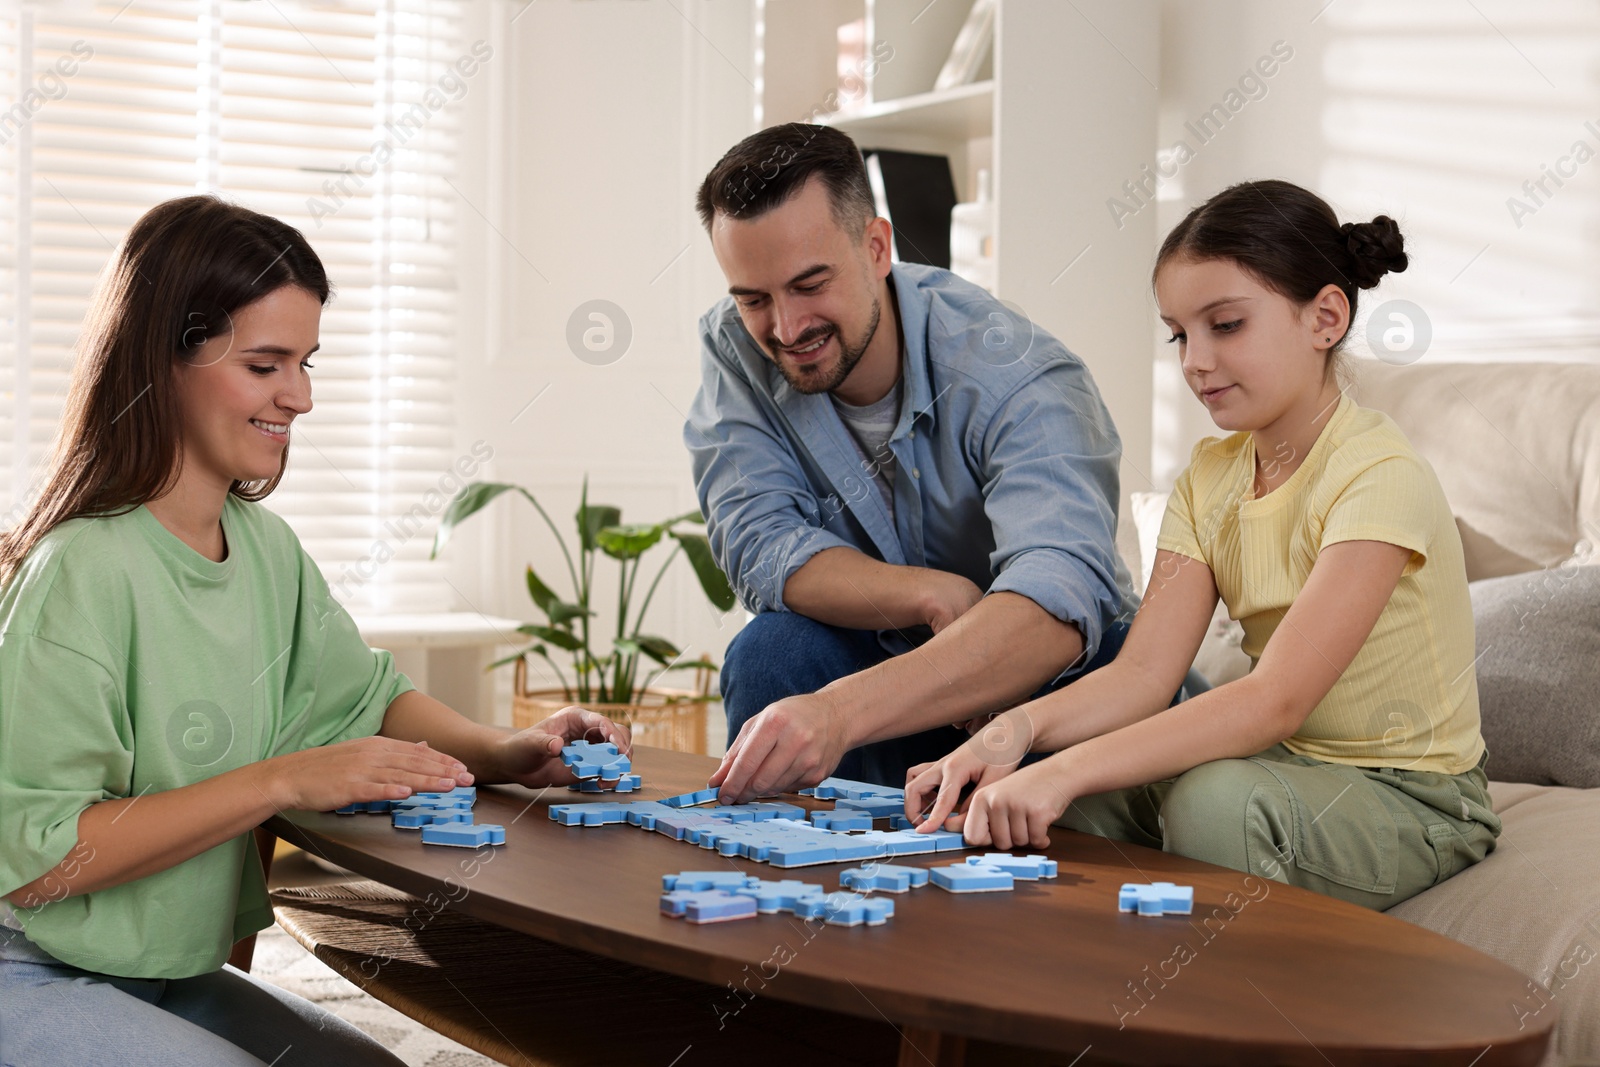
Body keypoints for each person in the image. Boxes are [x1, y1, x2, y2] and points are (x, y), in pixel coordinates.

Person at [0, 196, 630, 1066]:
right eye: (266, 364)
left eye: (304, 361)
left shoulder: (264, 549)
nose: (299, 395)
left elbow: (365, 696)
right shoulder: (78, 571)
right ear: (166, 359)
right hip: (28, 969)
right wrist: (279, 780)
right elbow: (40, 860)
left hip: (159, 971)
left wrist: (508, 749)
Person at [906, 179, 1500, 909]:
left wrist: (1062, 768)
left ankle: (1240, 1014)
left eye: (1225, 325)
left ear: (1325, 317)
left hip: (1414, 799)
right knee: (1075, 804)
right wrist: (1014, 734)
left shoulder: (1379, 475)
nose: (1194, 360)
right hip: (1283, 765)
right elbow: (1145, 674)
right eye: (1179, 333)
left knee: (1215, 802)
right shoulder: (1209, 479)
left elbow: (1273, 701)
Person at [686, 123, 1151, 801]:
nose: (785, 329)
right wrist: (925, 591)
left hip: (1045, 691)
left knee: (1104, 656)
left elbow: (1060, 592)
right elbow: (759, 543)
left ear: (877, 246)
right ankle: (791, 896)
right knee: (772, 653)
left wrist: (841, 712)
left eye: (810, 284)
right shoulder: (737, 348)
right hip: (881, 668)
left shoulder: (1019, 372)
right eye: (754, 299)